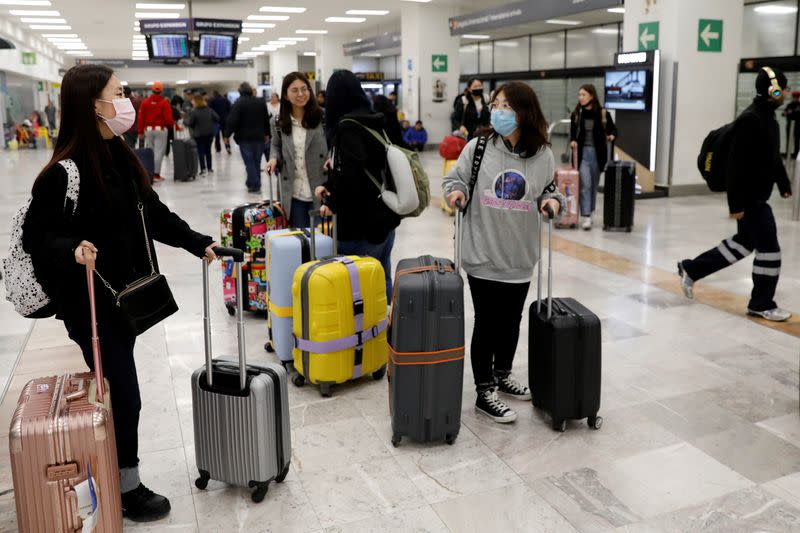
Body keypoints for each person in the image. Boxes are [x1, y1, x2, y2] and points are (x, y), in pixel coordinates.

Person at [21, 64, 218, 522]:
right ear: (94, 104)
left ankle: (119, 475)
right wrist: (71, 247)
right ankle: (126, 488)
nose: (125, 99)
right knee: (124, 395)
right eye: (117, 92)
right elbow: (37, 238)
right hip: (89, 305)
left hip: (122, 297)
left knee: (120, 390)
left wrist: (198, 242)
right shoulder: (62, 173)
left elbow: (155, 213)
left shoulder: (120, 154)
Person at [443, 81, 564, 424]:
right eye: (495, 104)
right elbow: (454, 181)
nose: (497, 111)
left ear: (524, 113)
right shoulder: (479, 146)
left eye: (506, 106)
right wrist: (457, 195)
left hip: (520, 255)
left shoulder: (543, 154)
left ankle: (502, 374)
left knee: (512, 321)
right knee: (487, 321)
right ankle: (484, 391)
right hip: (482, 252)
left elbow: (550, 190)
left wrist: (553, 201)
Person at [678, 67, 793, 322]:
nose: (785, 92)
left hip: (757, 195)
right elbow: (735, 166)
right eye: (782, 88)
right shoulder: (751, 119)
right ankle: (762, 303)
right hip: (750, 198)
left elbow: (773, 159)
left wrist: (784, 184)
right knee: (769, 250)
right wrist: (736, 205)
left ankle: (692, 268)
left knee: (743, 244)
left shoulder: (769, 119)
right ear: (772, 90)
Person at [319, 70, 400, 300]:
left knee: (357, 289)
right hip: (384, 218)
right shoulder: (375, 121)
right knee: (381, 278)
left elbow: (352, 180)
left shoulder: (347, 128)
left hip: (359, 225)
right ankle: (385, 328)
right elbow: (366, 167)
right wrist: (332, 177)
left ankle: (366, 334)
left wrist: (331, 201)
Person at [266, 72, 327, 229]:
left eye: (304, 89)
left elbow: (334, 146)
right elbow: (276, 145)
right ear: (286, 95)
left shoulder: (323, 118)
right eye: (294, 90)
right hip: (294, 193)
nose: (301, 94)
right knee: (300, 242)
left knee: (323, 242)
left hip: (321, 190)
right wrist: (273, 158)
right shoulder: (278, 122)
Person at [569, 84, 617, 230]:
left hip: (598, 154)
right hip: (582, 154)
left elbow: (613, 129)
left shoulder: (602, 113)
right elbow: (572, 133)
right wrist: (573, 140)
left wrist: (612, 135)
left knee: (593, 186)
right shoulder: (577, 114)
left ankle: (589, 211)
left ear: (591, 95)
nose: (580, 97)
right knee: (586, 185)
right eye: (579, 95)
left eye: (583, 94)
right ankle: (586, 216)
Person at [225, 82, 270, 193]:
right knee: (256, 162)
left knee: (249, 162)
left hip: (244, 138)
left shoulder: (238, 103)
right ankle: (251, 183)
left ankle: (255, 184)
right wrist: (267, 134)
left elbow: (232, 121)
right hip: (259, 137)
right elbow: (266, 120)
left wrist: (227, 135)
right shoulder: (260, 102)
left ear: (240, 91)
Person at [137, 81, 174, 182]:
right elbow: (168, 119)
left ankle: (150, 174)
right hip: (161, 130)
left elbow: (141, 118)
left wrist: (140, 132)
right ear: (162, 91)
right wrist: (172, 125)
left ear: (152, 90)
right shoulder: (164, 102)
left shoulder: (145, 102)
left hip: (148, 130)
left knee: (151, 152)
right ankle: (156, 175)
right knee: (159, 152)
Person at [185, 94, 219, 177]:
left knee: (201, 151)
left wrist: (185, 121)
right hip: (209, 134)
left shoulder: (194, 112)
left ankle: (203, 169)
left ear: (196, 102)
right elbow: (217, 118)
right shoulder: (209, 110)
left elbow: (190, 123)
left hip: (199, 135)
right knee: (208, 151)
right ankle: (210, 169)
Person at [209, 90, 231, 154]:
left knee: (217, 136)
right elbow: (230, 109)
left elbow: (210, 111)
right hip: (225, 120)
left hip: (216, 121)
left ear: (214, 94)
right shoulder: (225, 100)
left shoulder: (212, 101)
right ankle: (227, 147)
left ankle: (218, 149)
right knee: (225, 135)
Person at [782, 90, 800, 158]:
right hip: (789, 125)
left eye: (797, 97)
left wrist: (791, 112)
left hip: (798, 126)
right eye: (794, 97)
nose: (795, 98)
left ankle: (796, 154)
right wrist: (789, 112)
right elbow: (783, 114)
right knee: (788, 140)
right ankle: (788, 154)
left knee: (797, 141)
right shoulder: (789, 105)